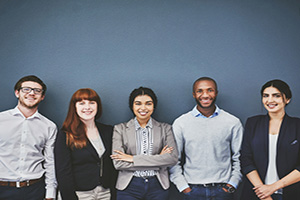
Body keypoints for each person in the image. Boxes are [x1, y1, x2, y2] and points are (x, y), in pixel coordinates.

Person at [169, 77, 243, 200]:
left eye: (210, 90)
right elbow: (173, 159)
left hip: (223, 190)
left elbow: (239, 157)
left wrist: (232, 184)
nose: (205, 95)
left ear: (216, 93)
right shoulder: (181, 123)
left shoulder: (232, 122)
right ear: (194, 94)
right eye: (200, 91)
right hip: (192, 190)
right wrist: (183, 187)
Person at [111, 86, 178, 200]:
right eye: (138, 103)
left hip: (158, 186)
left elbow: (172, 159)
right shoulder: (120, 129)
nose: (143, 108)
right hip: (128, 187)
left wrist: (132, 159)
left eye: (148, 103)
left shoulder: (165, 128)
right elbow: (119, 164)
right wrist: (159, 159)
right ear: (132, 106)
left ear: (153, 106)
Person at [240, 79, 300, 200]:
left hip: (290, 193)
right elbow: (245, 159)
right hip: (256, 193)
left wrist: (273, 187)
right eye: (265, 96)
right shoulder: (253, 123)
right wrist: (263, 192)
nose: (270, 100)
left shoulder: (297, 125)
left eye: (276, 96)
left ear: (287, 99)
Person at [0, 75, 57, 200]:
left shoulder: (49, 126)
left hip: (35, 190)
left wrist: (50, 194)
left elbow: (50, 162)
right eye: (26, 89)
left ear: (42, 97)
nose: (31, 93)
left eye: (37, 91)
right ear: (17, 93)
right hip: (2, 188)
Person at [55, 88, 117, 200]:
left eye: (92, 103)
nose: (87, 107)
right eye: (82, 103)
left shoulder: (109, 131)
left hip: (105, 193)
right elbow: (63, 171)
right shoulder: (65, 135)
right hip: (79, 194)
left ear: (98, 106)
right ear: (74, 107)